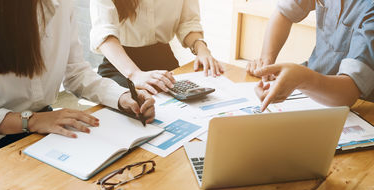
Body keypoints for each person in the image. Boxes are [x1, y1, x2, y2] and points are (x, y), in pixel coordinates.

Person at [0, 0, 155, 160]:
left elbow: (76, 72)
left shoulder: (61, 4)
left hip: (45, 127)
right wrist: (31, 121)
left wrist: (121, 97)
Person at [246, 0, 374, 111]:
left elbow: (349, 93)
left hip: (359, 107)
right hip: (309, 94)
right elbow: (284, 12)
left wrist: (302, 79)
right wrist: (266, 59)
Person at [90, 0, 224, 95]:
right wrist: (135, 74)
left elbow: (188, 22)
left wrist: (201, 49)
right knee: (138, 111)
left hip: (163, 61)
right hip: (121, 65)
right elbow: (104, 32)